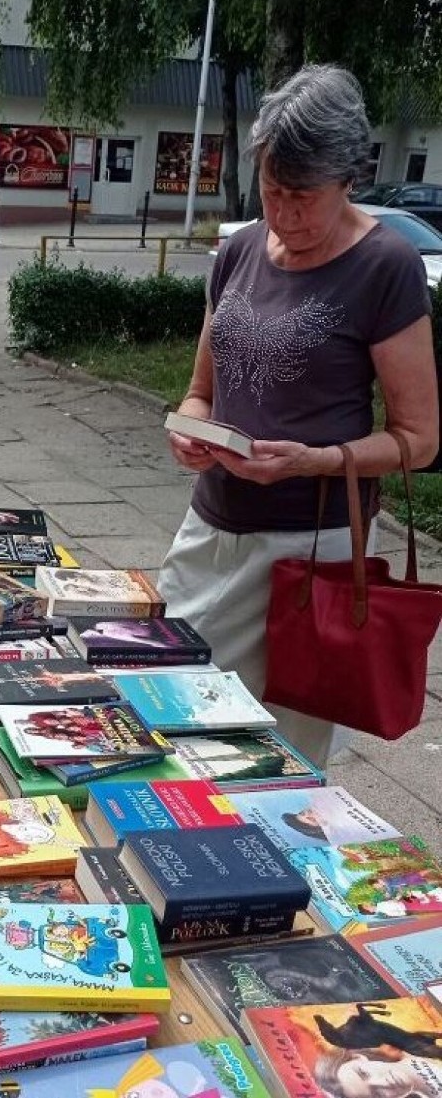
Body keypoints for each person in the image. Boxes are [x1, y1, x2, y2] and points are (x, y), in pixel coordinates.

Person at [158, 64, 438, 768]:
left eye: (302, 196)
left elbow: (420, 438)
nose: (283, 212)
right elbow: (200, 389)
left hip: (310, 555)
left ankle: (265, 872)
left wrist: (313, 460)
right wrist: (190, 427)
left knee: (272, 755)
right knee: (159, 702)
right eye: (272, 189)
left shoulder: (387, 266)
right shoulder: (241, 249)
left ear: (350, 178)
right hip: (212, 526)